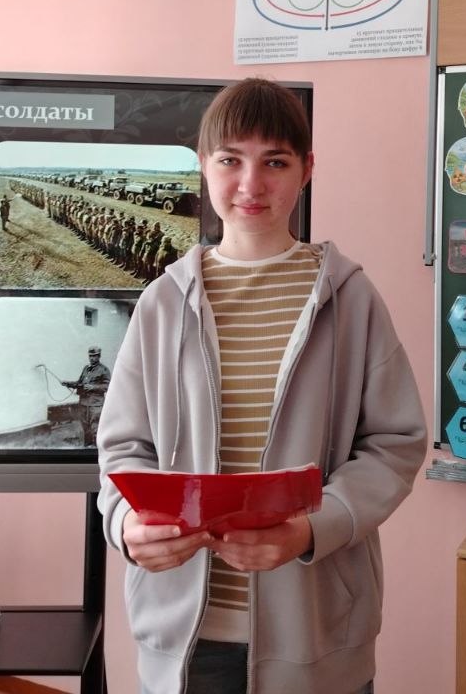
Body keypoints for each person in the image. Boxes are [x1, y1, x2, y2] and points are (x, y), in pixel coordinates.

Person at [98, 77, 426, 694]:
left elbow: (396, 444)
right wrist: (126, 525)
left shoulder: (351, 299)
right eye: (231, 160)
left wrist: (310, 530)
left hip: (316, 634)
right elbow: (123, 449)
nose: (251, 185)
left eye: (275, 162)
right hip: (187, 641)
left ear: (307, 170)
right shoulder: (163, 302)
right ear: (204, 166)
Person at [62, 346, 110, 444]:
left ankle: (97, 449)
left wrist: (93, 387)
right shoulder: (86, 369)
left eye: (94, 356)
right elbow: (80, 383)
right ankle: (87, 447)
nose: (92, 358)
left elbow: (108, 386)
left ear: (99, 356)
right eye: (90, 356)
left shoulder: (104, 370)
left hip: (96, 405)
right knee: (86, 428)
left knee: (96, 428)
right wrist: (68, 383)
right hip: (83, 403)